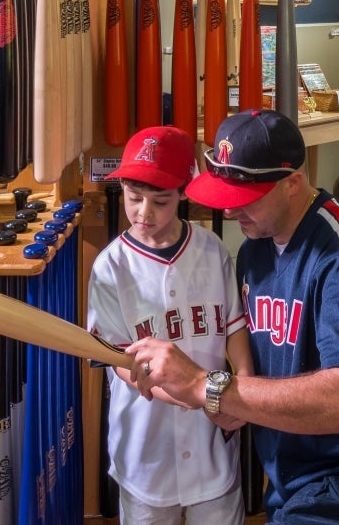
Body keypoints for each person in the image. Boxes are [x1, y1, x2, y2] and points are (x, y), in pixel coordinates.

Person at [126, 109, 339, 525]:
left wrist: (207, 385)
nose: (231, 213)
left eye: (244, 200)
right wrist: (228, 400)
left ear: (292, 183)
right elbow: (256, 377)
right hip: (293, 482)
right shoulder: (253, 254)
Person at [86, 124, 254, 525]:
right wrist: (199, 395)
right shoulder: (110, 267)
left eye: (160, 201)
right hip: (145, 450)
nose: (144, 212)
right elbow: (118, 362)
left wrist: (243, 388)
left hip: (212, 446)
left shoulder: (212, 250)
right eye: (133, 198)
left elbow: (233, 329)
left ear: (184, 191)